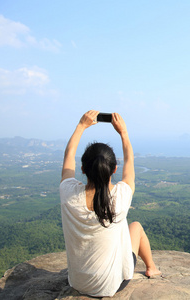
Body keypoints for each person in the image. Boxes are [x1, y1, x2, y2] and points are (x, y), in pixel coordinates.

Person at [59, 110, 161, 297]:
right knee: (136, 227)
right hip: (112, 285)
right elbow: (130, 163)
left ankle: (151, 267)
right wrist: (123, 133)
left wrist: (81, 126)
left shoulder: (68, 194)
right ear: (114, 169)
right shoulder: (120, 197)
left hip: (77, 282)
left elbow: (68, 157)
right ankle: (151, 268)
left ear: (82, 169)